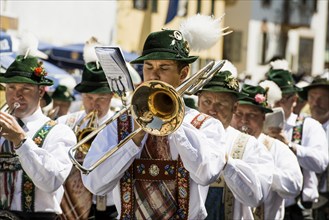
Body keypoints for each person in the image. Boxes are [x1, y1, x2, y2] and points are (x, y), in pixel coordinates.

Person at [82, 28, 228, 219]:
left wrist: (173, 123)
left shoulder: (207, 126)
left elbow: (206, 174)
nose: (154, 75)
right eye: (148, 67)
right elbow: (94, 184)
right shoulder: (121, 125)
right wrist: (132, 140)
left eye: (164, 68)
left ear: (183, 73)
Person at [0, 55, 76, 219]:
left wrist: (21, 141)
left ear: (40, 91)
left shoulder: (60, 132)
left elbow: (51, 182)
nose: (17, 95)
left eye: (25, 89)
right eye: (11, 87)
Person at [197, 69, 274, 220]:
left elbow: (256, 197)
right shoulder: (183, 137)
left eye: (221, 104)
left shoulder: (250, 146)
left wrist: (228, 164)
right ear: (198, 102)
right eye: (207, 102)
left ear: (234, 108)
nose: (212, 109)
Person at [265, 61, 329, 220]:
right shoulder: (258, 125)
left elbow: (321, 163)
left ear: (294, 99)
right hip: (264, 208)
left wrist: (291, 146)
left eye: (282, 99)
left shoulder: (308, 125)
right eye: (273, 99)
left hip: (296, 210)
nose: (276, 104)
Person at [231, 83, 303, 220]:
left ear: (264, 117)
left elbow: (295, 186)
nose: (244, 121)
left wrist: (264, 172)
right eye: (239, 114)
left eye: (252, 115)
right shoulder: (226, 143)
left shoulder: (277, 148)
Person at [56, 59, 117, 219]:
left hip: (108, 206)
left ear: (111, 95)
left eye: (101, 99)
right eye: (89, 97)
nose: (93, 104)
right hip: (71, 205)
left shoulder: (119, 125)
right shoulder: (65, 123)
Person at [299, 73, 329, 220]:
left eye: (322, 98)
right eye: (312, 97)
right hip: (305, 202)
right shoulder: (300, 127)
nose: (315, 103)